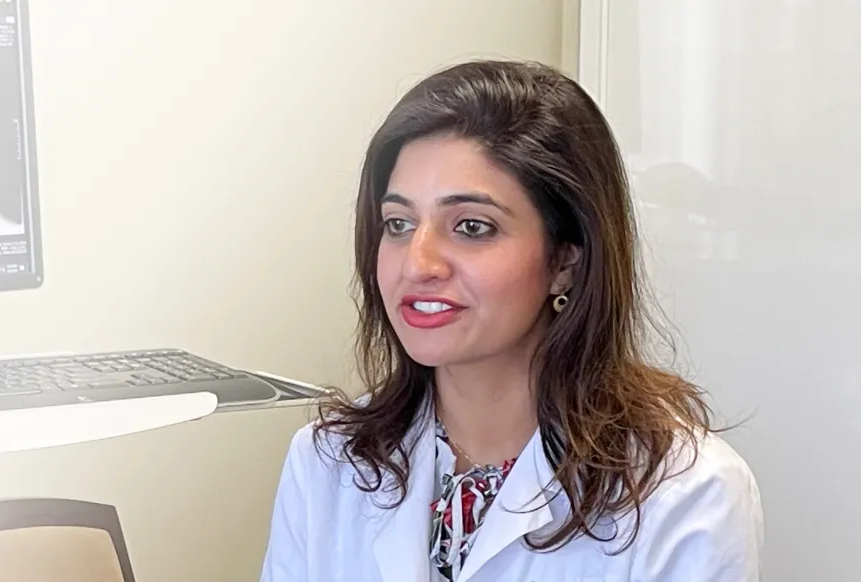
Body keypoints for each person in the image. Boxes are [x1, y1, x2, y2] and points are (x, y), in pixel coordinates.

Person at [258, 60, 763, 582]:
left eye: (472, 226)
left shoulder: (687, 495)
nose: (418, 263)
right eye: (399, 224)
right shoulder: (327, 463)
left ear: (566, 260)